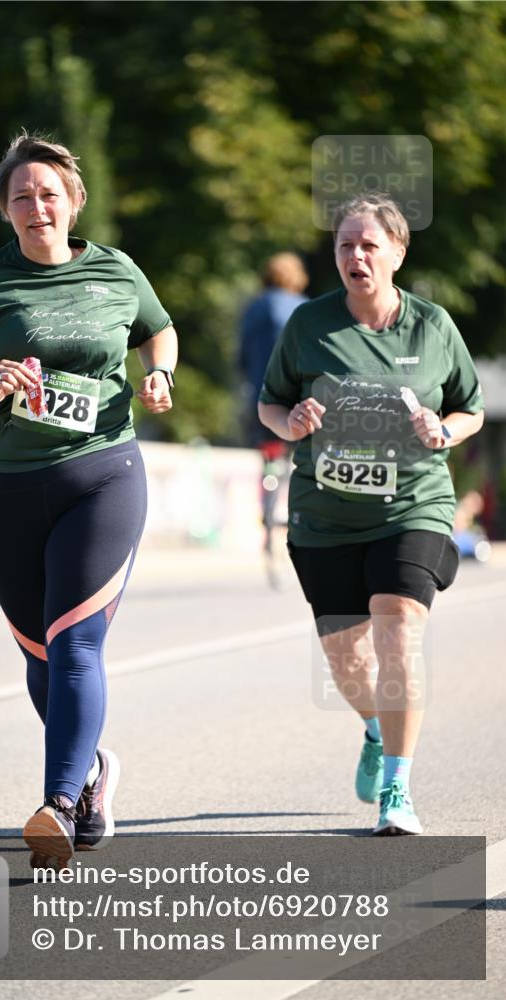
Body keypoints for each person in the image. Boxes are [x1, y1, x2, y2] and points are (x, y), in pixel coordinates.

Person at [0, 132, 178, 868]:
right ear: (6, 210)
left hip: (100, 474)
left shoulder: (115, 271)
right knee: (38, 653)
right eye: (22, 196)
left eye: (49, 193)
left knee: (73, 642)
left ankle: (57, 804)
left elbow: (159, 333)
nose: (37, 205)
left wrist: (158, 375)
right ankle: (94, 773)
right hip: (2, 490)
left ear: (74, 203)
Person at [258, 193, 484, 835]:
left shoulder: (433, 326)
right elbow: (270, 404)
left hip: (413, 504)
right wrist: (292, 421)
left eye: (368, 245)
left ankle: (397, 790)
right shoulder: (308, 325)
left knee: (398, 627)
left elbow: (471, 406)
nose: (354, 255)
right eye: (343, 245)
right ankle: (373, 731)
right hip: (325, 517)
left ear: (397, 253)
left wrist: (445, 428)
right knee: (348, 663)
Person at [239, 252, 309, 448]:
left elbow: (243, 352)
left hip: (260, 389)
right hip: (296, 391)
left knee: (268, 449)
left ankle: (269, 474)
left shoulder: (255, 306)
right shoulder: (304, 307)